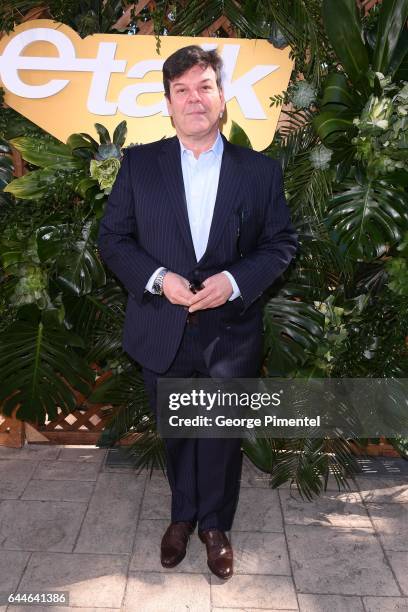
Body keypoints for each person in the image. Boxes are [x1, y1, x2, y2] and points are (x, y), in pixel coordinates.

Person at [97, 45, 298, 580]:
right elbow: (113, 239)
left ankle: (214, 525)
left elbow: (280, 244)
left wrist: (234, 281)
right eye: (181, 90)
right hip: (161, 329)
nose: (194, 99)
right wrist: (160, 279)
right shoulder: (139, 164)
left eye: (204, 87)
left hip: (229, 333)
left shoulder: (258, 171)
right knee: (177, 429)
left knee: (220, 434)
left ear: (222, 98)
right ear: (167, 102)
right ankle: (182, 515)